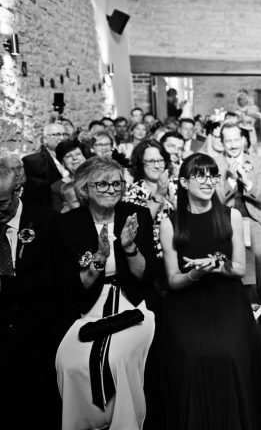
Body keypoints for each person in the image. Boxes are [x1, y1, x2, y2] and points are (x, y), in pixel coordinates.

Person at [155, 153, 261, 430]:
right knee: (191, 357)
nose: (208, 181)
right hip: (186, 302)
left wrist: (216, 266)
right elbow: (173, 281)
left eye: (212, 174)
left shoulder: (231, 216)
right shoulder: (170, 223)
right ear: (183, 181)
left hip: (227, 297)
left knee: (229, 352)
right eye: (199, 174)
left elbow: (239, 269)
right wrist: (195, 273)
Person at [52, 156, 157, 430]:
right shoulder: (66, 224)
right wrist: (99, 258)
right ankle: (83, 423)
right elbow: (70, 286)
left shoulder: (137, 215)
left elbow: (145, 276)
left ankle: (125, 423)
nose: (112, 190)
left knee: (117, 357)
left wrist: (129, 247)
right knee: (70, 360)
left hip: (131, 301)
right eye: (103, 184)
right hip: (87, 304)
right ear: (85, 189)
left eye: (118, 184)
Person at [0, 162, 59, 430]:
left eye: (1, 202)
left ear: (17, 191)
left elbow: (53, 280)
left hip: (38, 329)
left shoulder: (47, 222)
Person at [214, 123, 261, 322]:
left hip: (252, 217)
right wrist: (230, 180)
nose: (232, 145)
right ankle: (234, 303)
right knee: (227, 258)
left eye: (236, 139)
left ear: (243, 140)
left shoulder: (256, 162)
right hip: (225, 219)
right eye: (228, 140)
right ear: (222, 143)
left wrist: (247, 182)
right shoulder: (214, 164)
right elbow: (215, 200)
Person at [124, 140, 174, 261]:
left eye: (160, 160)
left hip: (174, 255)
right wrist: (159, 194)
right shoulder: (133, 192)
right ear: (140, 164)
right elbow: (138, 227)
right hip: (150, 259)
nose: (157, 166)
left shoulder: (173, 185)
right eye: (151, 161)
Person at [22, 121, 69, 207]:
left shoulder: (73, 159)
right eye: (57, 134)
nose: (62, 138)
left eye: (65, 134)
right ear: (45, 139)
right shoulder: (33, 162)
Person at [50, 139, 86, 212]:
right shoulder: (57, 187)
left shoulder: (97, 178)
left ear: (85, 157)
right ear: (63, 163)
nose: (75, 158)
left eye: (78, 154)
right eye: (69, 156)